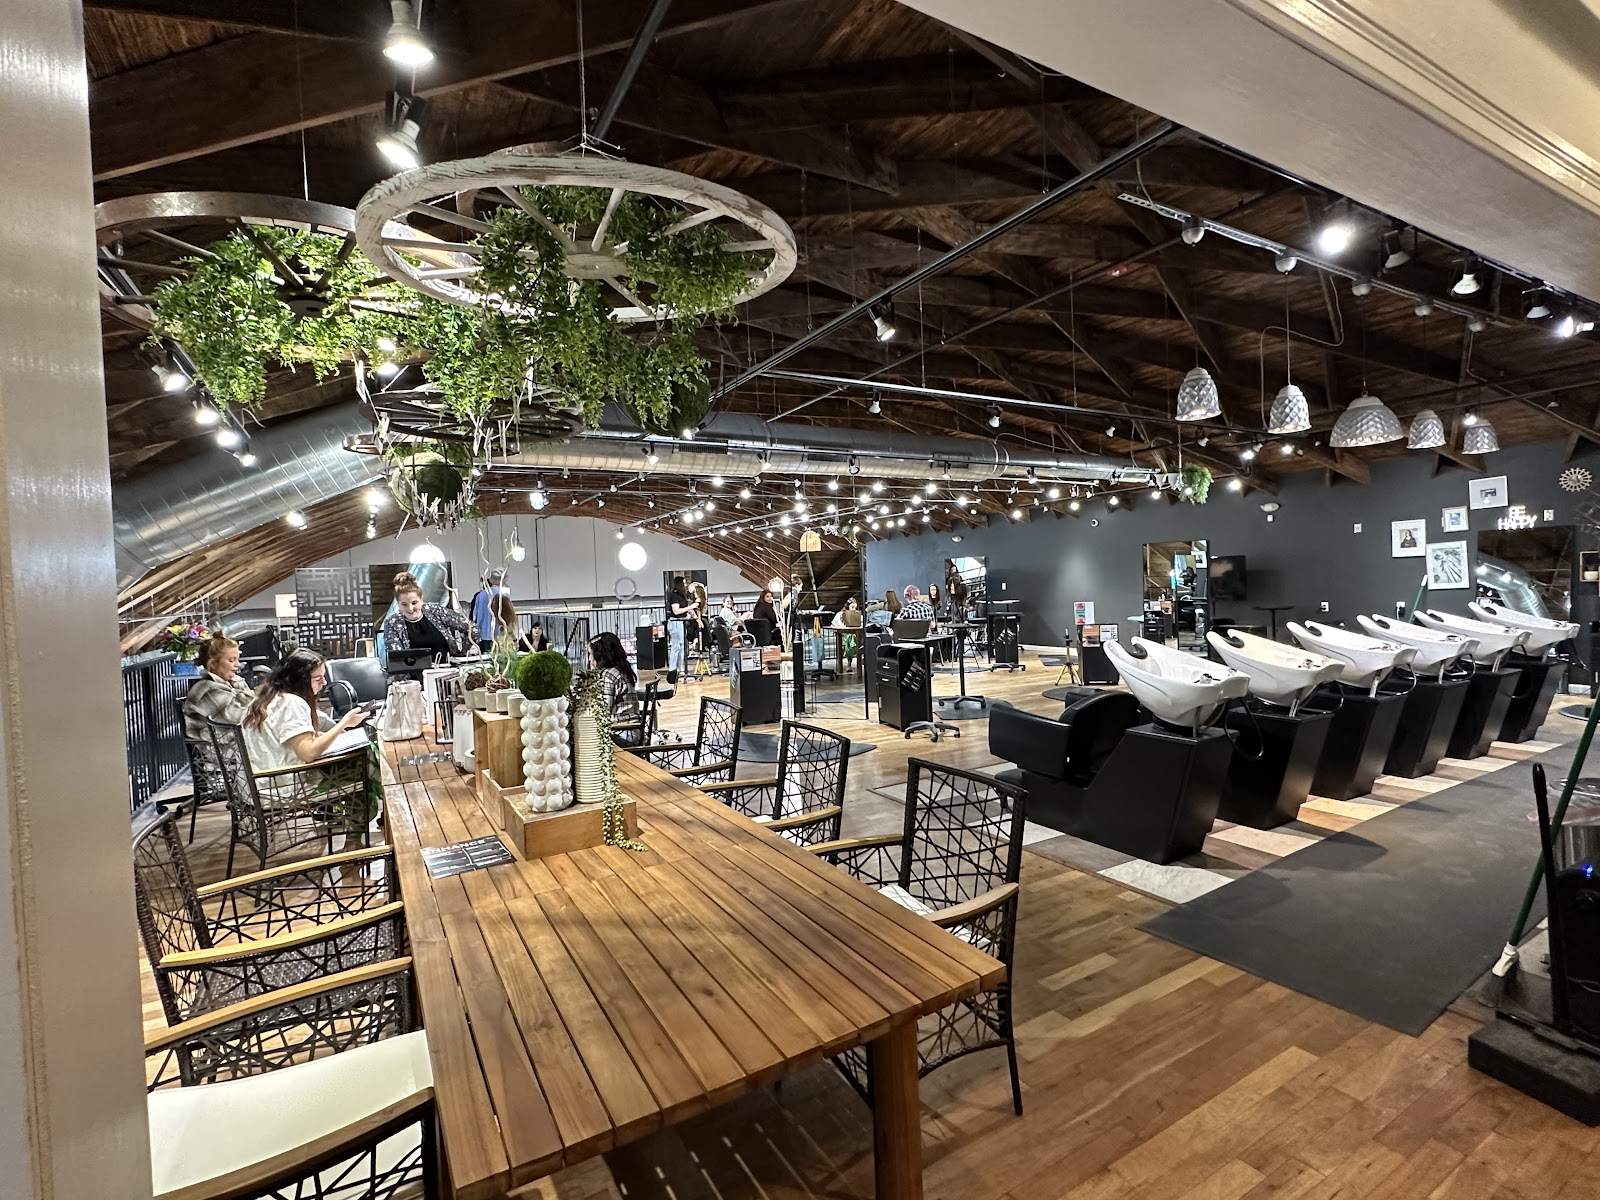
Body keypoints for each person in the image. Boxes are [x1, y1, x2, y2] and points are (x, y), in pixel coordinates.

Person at [241, 649, 381, 835]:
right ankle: (385, 813)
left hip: (258, 785)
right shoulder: (291, 703)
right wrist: (344, 723)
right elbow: (308, 753)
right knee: (363, 766)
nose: (324, 683)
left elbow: (288, 740)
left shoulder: (260, 701)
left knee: (360, 765)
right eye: (317, 679)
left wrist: (325, 734)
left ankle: (357, 838)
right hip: (283, 788)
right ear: (299, 679)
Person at [382, 571, 472, 667]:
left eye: (414, 603)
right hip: (414, 675)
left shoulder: (436, 611)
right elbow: (398, 660)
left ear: (421, 600)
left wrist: (462, 655)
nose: (410, 608)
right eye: (404, 604)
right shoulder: (392, 623)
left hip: (448, 671)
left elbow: (472, 629)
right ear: (398, 604)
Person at [182, 634, 252, 741]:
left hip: (239, 740)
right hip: (219, 747)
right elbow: (235, 717)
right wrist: (258, 696)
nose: (238, 664)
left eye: (238, 660)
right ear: (213, 664)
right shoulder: (206, 689)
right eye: (231, 660)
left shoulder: (235, 682)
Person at [588, 632, 643, 745]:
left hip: (623, 732)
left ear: (600, 654)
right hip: (632, 729)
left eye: (591, 654)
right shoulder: (622, 668)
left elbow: (603, 711)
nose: (589, 659)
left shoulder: (609, 675)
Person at [470, 569, 511, 652]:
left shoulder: (480, 595)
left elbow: (474, 617)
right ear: (503, 580)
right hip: (498, 634)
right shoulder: (503, 595)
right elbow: (507, 617)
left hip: (481, 635)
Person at [666, 575, 695, 678]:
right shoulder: (674, 596)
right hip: (675, 623)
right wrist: (690, 607)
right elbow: (676, 611)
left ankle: (681, 668)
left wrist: (695, 616)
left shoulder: (682, 595)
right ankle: (672, 669)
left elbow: (687, 609)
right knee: (676, 646)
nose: (686, 585)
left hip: (681, 623)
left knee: (682, 646)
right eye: (684, 583)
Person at [831, 596, 864, 673]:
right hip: (843, 634)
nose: (854, 609)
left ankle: (850, 662)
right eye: (852, 607)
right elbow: (833, 624)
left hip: (856, 634)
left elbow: (862, 624)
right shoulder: (840, 614)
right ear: (848, 606)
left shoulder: (858, 615)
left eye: (855, 608)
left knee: (852, 638)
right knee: (850, 639)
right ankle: (858, 655)